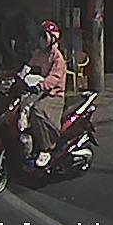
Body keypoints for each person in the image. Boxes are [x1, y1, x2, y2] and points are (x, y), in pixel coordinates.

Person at [28, 20, 67, 167]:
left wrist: (41, 86)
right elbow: (29, 67)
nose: (41, 39)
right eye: (40, 36)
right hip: (38, 92)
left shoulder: (57, 58)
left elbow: (54, 78)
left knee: (37, 111)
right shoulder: (38, 54)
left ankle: (46, 148)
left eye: (44, 36)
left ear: (53, 39)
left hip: (53, 95)